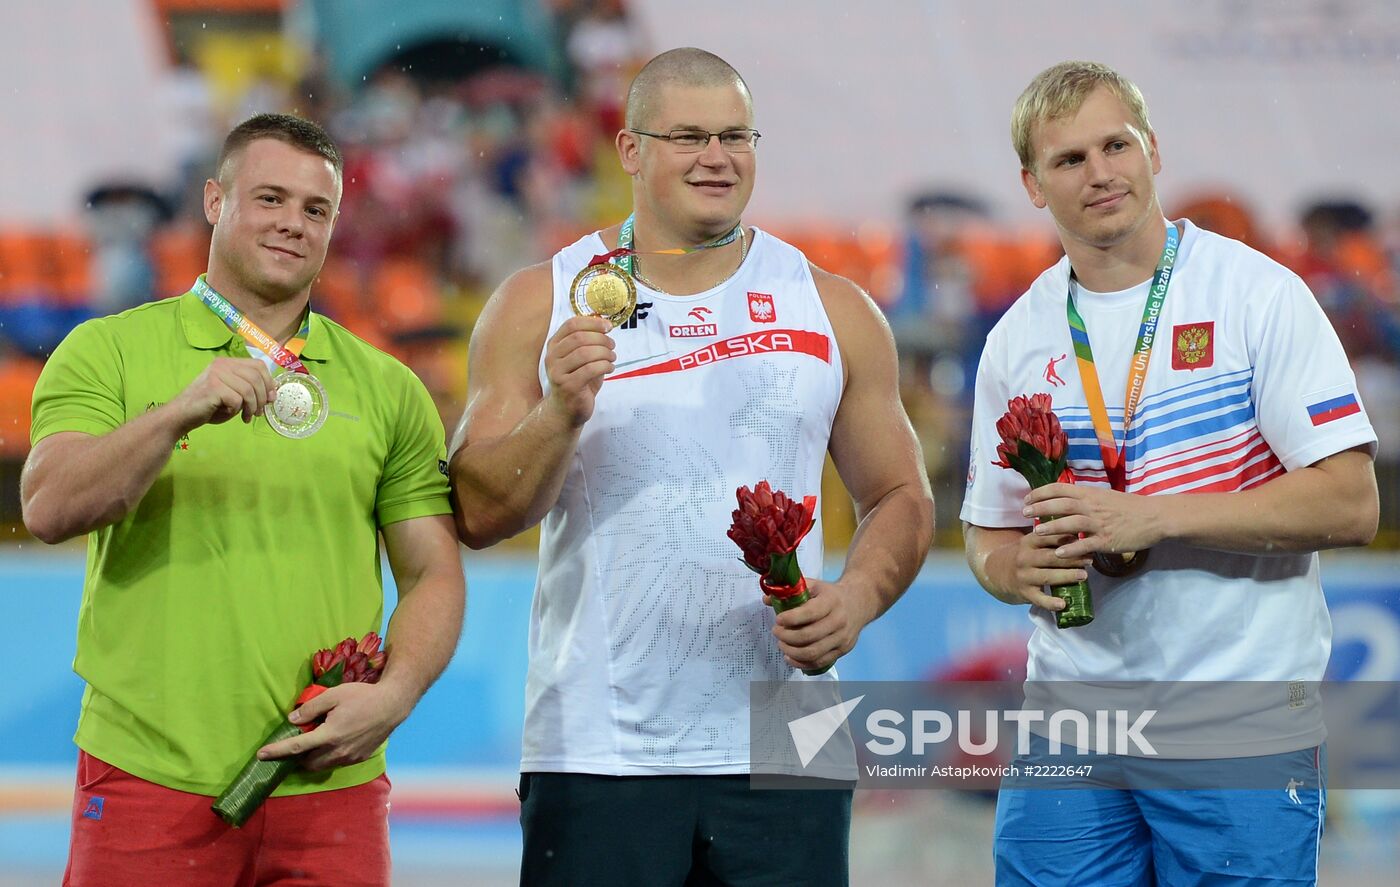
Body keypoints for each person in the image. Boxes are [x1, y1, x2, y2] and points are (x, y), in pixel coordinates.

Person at [448, 47, 934, 886]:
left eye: (736, 136)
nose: (718, 157)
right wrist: (557, 412)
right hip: (599, 743)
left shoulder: (833, 305)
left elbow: (900, 494)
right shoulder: (542, 300)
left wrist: (854, 597)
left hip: (792, 736)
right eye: (688, 137)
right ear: (630, 150)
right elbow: (478, 513)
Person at [961, 61, 1379, 885]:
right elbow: (988, 530)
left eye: (1115, 145)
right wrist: (1013, 567)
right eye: (1069, 159)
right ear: (1033, 185)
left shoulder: (1256, 295)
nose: (1101, 172)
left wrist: (1155, 516)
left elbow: (1351, 500)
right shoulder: (1019, 337)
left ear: (1152, 148)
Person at [21, 113, 465, 887]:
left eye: (315, 209)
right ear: (215, 201)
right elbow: (49, 507)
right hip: (147, 774)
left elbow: (432, 571)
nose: (293, 223)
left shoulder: (388, 386)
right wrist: (174, 414)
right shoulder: (109, 350)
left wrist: (393, 696)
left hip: (331, 785)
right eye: (269, 198)